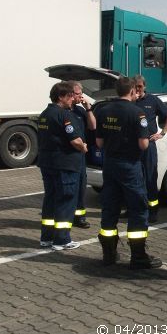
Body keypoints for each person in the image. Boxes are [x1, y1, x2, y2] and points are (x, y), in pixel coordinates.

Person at [95, 76, 162, 269]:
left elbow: (99, 142)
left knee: (110, 208)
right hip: (130, 166)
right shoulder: (137, 113)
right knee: (138, 209)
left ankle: (109, 255)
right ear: (132, 91)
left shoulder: (104, 111)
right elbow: (143, 144)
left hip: (109, 165)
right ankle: (138, 257)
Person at [37, 81, 88, 250]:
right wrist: (84, 147)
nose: (73, 98)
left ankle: (46, 238)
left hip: (47, 163)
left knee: (50, 199)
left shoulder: (44, 114)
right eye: (70, 96)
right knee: (66, 200)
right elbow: (75, 140)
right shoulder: (64, 115)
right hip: (65, 165)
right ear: (61, 97)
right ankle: (62, 239)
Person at [133, 75, 167, 223]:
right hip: (133, 145)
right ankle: (134, 208)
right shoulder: (130, 101)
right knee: (135, 178)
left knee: (151, 178)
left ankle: (153, 211)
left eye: (140, 86)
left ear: (144, 86)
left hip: (149, 145)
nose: (137, 89)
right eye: (135, 86)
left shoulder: (152, 100)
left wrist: (162, 133)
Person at [69, 81, 96, 229]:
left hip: (80, 157)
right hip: (69, 156)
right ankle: (67, 216)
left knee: (81, 188)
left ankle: (79, 218)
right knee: (69, 188)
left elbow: (93, 126)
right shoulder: (64, 112)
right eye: (79, 94)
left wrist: (88, 109)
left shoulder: (80, 111)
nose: (81, 96)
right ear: (71, 95)